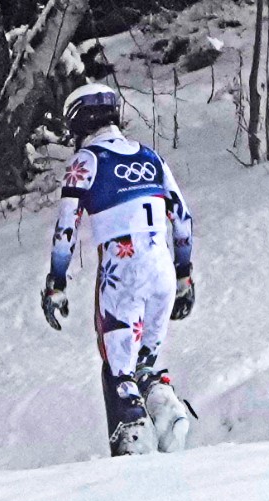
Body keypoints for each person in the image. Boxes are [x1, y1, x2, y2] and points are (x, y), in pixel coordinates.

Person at [40, 83, 196, 456]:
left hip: (121, 269)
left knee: (117, 369)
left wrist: (56, 282)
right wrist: (185, 274)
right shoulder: (151, 157)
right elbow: (183, 217)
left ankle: (133, 440)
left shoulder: (86, 162)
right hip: (161, 268)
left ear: (78, 121)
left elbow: (66, 228)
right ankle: (166, 410)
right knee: (146, 363)